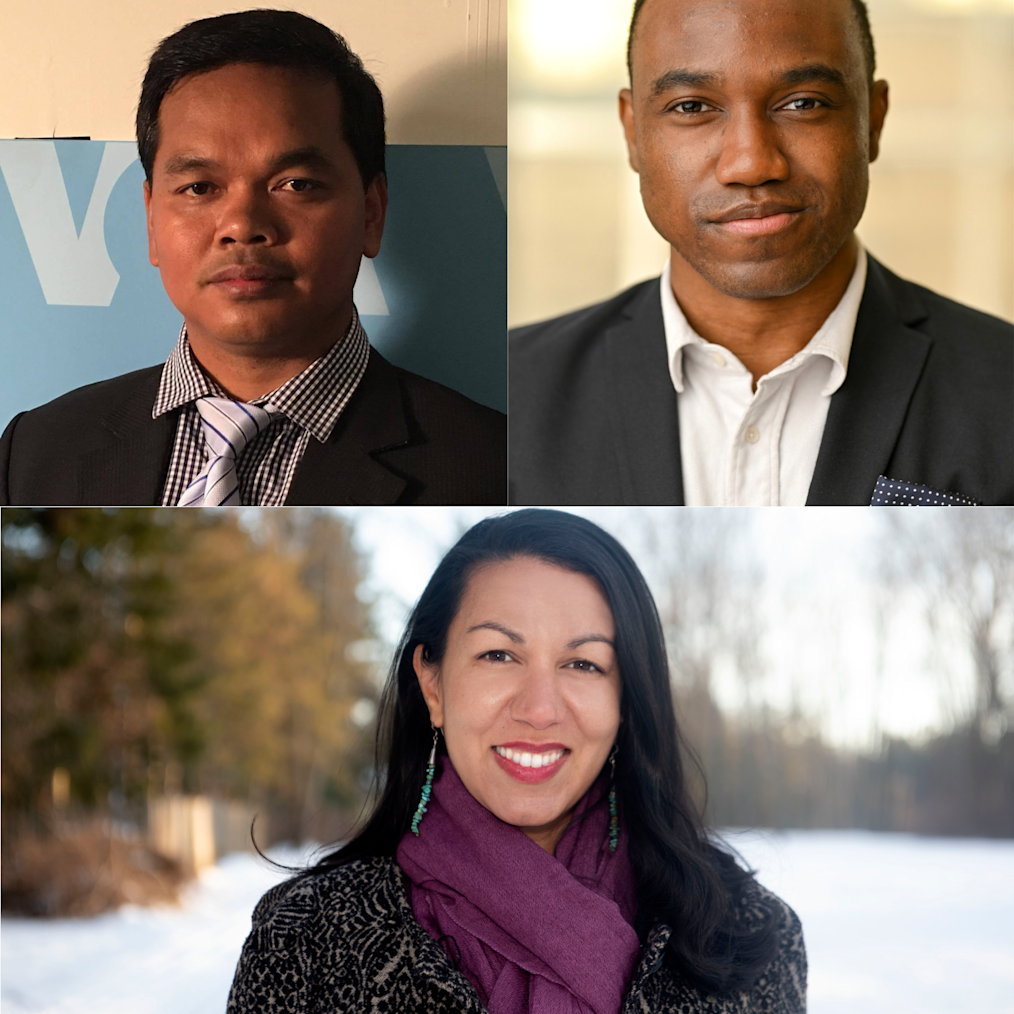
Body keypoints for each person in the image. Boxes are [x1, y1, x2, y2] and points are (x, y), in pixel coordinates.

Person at [227, 509, 806, 1013]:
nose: (539, 709)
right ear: (432, 683)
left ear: (626, 700)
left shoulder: (748, 936)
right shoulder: (306, 939)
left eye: (583, 664)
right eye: (498, 654)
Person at [509, 0, 1013, 507]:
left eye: (804, 103)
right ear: (633, 131)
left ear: (872, 121)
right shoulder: (510, 396)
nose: (751, 163)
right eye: (692, 107)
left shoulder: (1001, 387)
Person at [0, 10, 506, 506]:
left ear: (370, 214)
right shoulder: (35, 453)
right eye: (199, 187)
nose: (242, 225)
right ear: (152, 219)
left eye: (296, 184)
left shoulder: (502, 470)